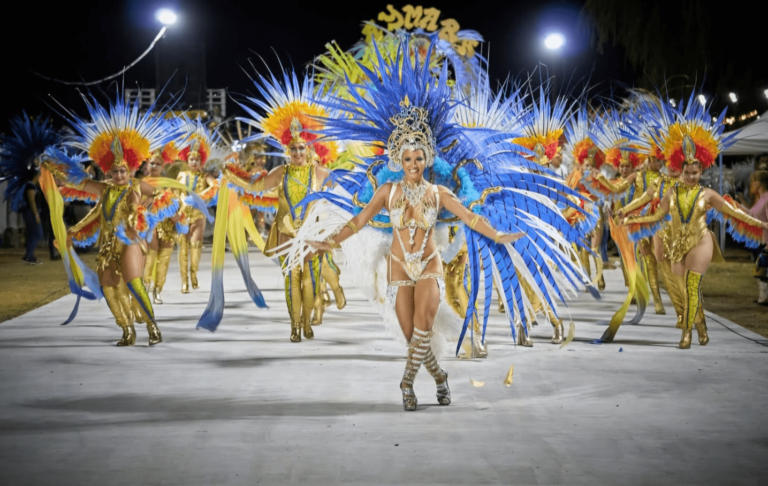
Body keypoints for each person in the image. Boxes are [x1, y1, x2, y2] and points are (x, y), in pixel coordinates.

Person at [279, 40, 593, 410]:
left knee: (423, 329)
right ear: (399, 158)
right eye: (407, 158)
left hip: (428, 266)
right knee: (414, 335)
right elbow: (358, 220)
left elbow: (470, 216)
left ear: (428, 158)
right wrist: (327, 243)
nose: (413, 163)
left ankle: (407, 385)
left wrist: (498, 235)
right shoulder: (386, 190)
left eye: (419, 157)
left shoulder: (439, 191)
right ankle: (441, 378)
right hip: (398, 268)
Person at [621, 98, 768, 348]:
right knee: (684, 289)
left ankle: (686, 333)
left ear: (701, 171)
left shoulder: (708, 194)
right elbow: (656, 216)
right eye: (687, 172)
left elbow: (734, 213)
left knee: (692, 286)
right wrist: (633, 218)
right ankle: (700, 323)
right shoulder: (669, 192)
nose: (690, 176)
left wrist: (761, 225)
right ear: (679, 168)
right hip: (675, 244)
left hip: (700, 241)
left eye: (695, 173)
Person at [0, 113, 60, 265]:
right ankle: (29, 255)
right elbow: (32, 201)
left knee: (34, 233)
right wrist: (36, 214)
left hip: (31, 212)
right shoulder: (31, 186)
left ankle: (29, 255)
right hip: (31, 212)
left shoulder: (32, 185)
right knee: (38, 233)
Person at [176, 121, 219, 293]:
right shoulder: (181, 175)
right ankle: (184, 281)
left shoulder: (205, 175)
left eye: (197, 159)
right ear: (187, 160)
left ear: (201, 161)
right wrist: (183, 200)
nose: (194, 162)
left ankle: (194, 275)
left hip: (199, 216)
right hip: (182, 215)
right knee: (182, 249)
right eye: (191, 159)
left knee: (195, 249)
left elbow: (215, 185)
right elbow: (175, 191)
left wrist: (200, 197)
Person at [748, 171, 768, 305]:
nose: (751, 184)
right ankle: (763, 297)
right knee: (761, 270)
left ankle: (764, 298)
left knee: (764, 269)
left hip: (766, 240)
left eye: (754, 181)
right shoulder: (760, 199)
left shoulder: (766, 199)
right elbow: (751, 215)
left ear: (759, 183)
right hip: (759, 240)